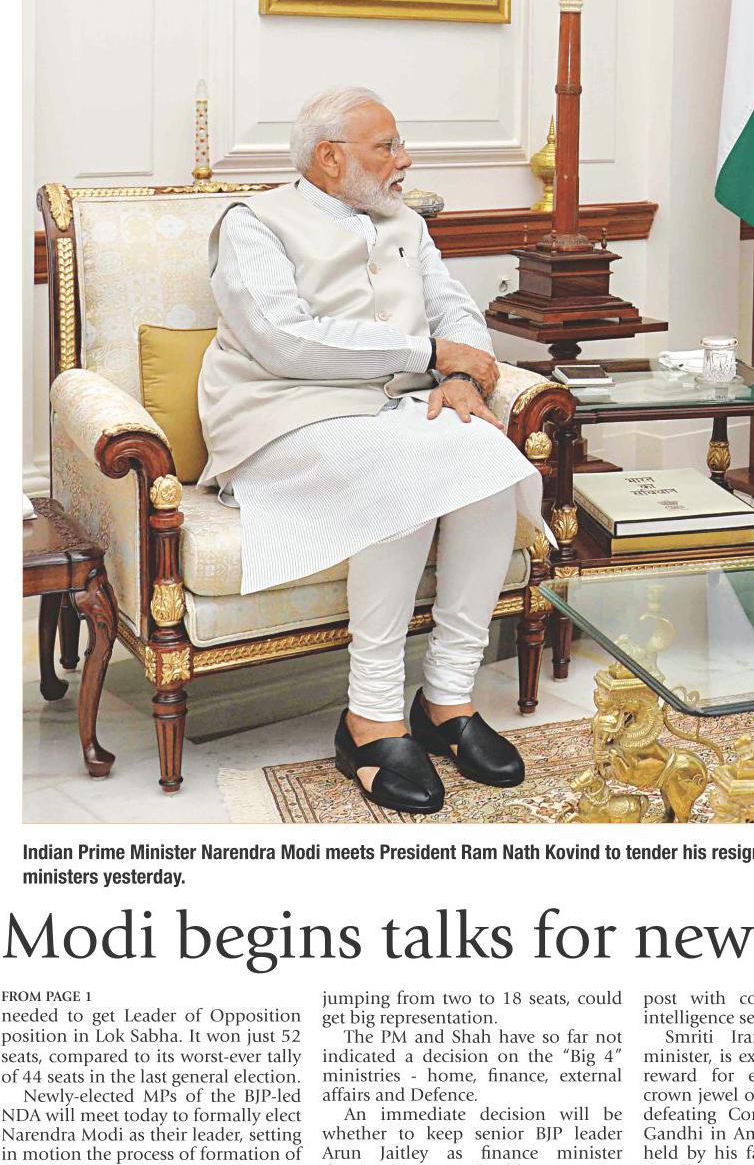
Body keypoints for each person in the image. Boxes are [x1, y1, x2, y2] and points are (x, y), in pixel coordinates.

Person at [199, 87, 542, 813]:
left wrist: (461, 376)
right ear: (330, 158)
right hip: (280, 416)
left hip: (393, 411)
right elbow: (282, 339)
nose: (403, 159)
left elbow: (455, 309)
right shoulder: (253, 223)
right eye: (386, 146)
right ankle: (372, 717)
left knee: (485, 456)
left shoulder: (405, 220)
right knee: (408, 469)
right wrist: (427, 353)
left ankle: (447, 699)